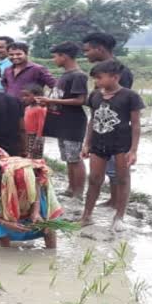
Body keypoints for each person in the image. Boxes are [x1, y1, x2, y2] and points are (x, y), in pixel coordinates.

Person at [80, 59, 144, 232]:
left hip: (122, 145)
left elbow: (136, 124)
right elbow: (92, 119)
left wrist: (133, 150)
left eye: (99, 78)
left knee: (123, 179)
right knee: (94, 179)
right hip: (98, 143)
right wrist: (86, 143)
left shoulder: (130, 96)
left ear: (115, 77)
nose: (96, 82)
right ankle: (86, 215)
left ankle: (119, 217)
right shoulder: (95, 95)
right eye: (95, 79)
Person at [0, 158, 62, 248]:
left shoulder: (18, 173)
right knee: (3, 234)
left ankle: (51, 252)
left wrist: (35, 211)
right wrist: (5, 223)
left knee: (46, 227)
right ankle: (6, 256)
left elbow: (36, 184)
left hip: (32, 193)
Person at [82, 32, 133, 208]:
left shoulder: (119, 72)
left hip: (115, 131)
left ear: (100, 49)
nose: (85, 54)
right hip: (101, 130)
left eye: (87, 50)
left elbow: (120, 104)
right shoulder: (103, 71)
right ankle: (113, 200)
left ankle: (117, 203)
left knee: (117, 172)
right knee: (106, 172)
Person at [36, 41, 88, 198]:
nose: (54, 60)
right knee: (68, 158)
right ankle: (71, 189)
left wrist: (51, 101)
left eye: (55, 57)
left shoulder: (78, 76)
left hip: (72, 122)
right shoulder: (66, 75)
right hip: (62, 121)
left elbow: (81, 100)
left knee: (75, 158)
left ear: (64, 57)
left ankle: (78, 192)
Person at [20, 84, 47, 159]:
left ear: (37, 96)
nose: (24, 98)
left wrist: (37, 141)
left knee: (34, 158)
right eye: (23, 96)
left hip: (35, 137)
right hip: (27, 136)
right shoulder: (27, 108)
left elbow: (41, 126)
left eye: (27, 96)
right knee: (27, 157)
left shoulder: (40, 109)